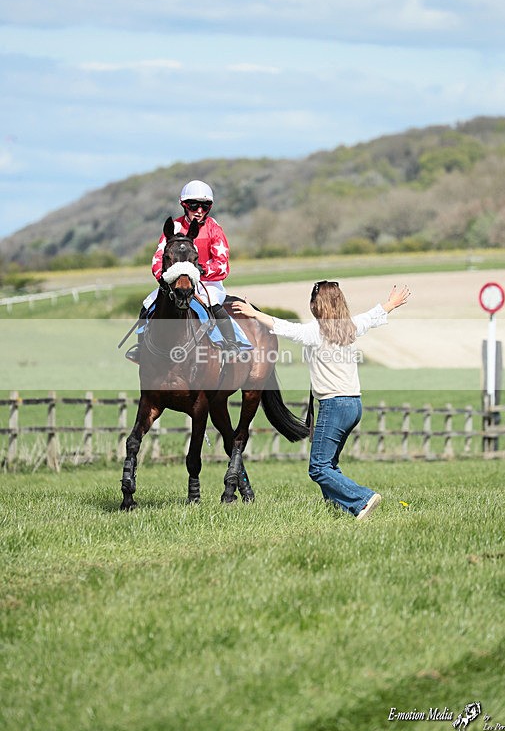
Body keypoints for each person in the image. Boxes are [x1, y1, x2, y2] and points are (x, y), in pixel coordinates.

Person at [232, 281, 410, 519]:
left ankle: (362, 499)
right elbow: (372, 316)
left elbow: (283, 327)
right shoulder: (349, 327)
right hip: (354, 405)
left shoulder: (315, 332)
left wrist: (254, 314)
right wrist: (391, 304)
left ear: (316, 305)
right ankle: (338, 511)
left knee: (318, 468)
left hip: (334, 405)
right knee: (330, 464)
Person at [126, 179, 239, 362]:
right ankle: (141, 349)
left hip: (207, 283)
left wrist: (200, 270)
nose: (199, 210)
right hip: (174, 282)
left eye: (204, 206)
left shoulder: (214, 229)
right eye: (194, 205)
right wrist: (163, 277)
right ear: (184, 205)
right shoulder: (174, 227)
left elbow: (223, 265)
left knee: (212, 303)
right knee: (148, 304)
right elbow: (158, 258)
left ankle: (231, 344)